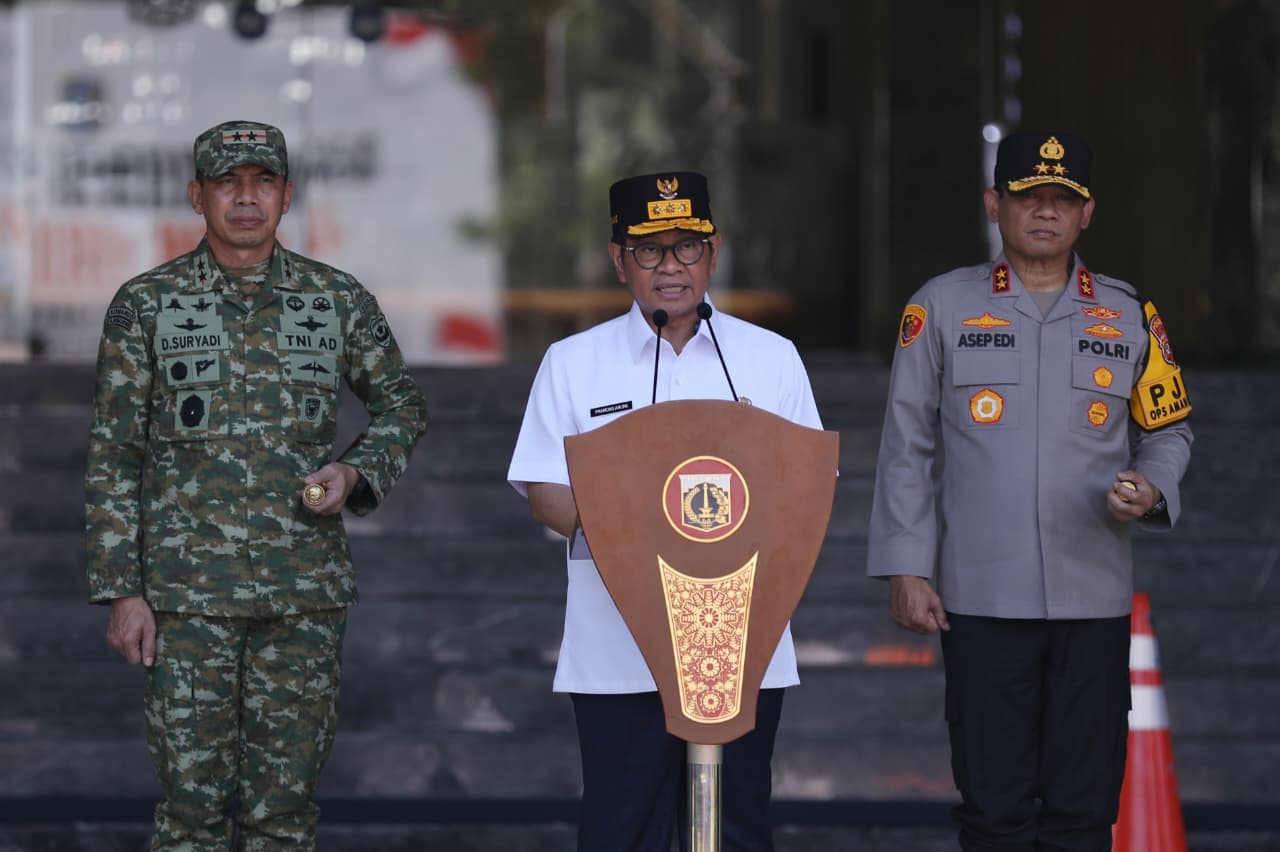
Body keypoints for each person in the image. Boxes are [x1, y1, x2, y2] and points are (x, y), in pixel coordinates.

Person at [85, 120, 428, 850]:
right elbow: (114, 453)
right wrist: (123, 591)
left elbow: (403, 404)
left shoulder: (334, 300)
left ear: (286, 194)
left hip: (300, 596)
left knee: (284, 815)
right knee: (190, 817)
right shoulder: (146, 305)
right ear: (196, 195)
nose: (246, 197)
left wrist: (356, 469)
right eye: (228, 183)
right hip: (185, 601)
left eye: (262, 181)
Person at [867, 131, 1193, 851]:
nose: (1044, 213)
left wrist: (1154, 487)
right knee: (993, 809)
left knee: (1083, 809)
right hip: (982, 598)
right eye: (1027, 198)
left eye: (1062, 200)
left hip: (1093, 598)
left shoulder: (1128, 314)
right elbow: (907, 445)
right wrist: (906, 565)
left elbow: (1169, 430)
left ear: (1087, 214)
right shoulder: (940, 307)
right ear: (994, 205)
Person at [507, 171, 823, 851]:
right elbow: (544, 490)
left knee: (735, 830)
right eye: (650, 251)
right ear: (620, 259)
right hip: (618, 649)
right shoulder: (573, 363)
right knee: (624, 832)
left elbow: (809, 485)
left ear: (714, 252)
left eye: (686, 247)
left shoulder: (770, 360)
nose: (670, 267)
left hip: (743, 645)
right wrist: (633, 535)